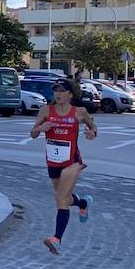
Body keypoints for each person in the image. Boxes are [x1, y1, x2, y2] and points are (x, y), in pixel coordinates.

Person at [29, 79, 97, 255]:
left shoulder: (79, 112)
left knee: (60, 197)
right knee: (64, 198)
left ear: (70, 94)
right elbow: (33, 133)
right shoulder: (46, 110)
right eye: (56, 91)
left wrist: (92, 133)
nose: (58, 94)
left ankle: (57, 239)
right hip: (53, 162)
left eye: (62, 91)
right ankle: (83, 203)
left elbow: (93, 126)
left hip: (72, 162)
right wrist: (41, 128)